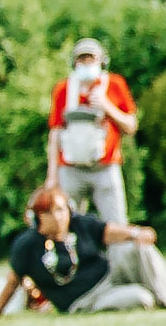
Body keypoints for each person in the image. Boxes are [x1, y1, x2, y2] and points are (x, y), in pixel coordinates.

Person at [0, 185, 166, 315]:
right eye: (49, 212)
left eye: (61, 210)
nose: (57, 217)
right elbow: (12, 281)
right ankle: (151, 297)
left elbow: (108, 231)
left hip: (109, 277)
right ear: (37, 217)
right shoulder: (27, 245)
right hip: (84, 301)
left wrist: (136, 232)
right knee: (142, 298)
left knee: (139, 248)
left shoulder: (79, 224)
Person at [46, 37, 139, 225]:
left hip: (106, 167)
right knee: (67, 224)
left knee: (116, 223)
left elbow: (130, 126)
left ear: (102, 61)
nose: (86, 64)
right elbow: (55, 133)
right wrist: (52, 176)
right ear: (74, 63)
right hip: (71, 169)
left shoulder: (114, 84)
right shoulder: (63, 89)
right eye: (82, 59)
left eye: (91, 59)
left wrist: (107, 106)